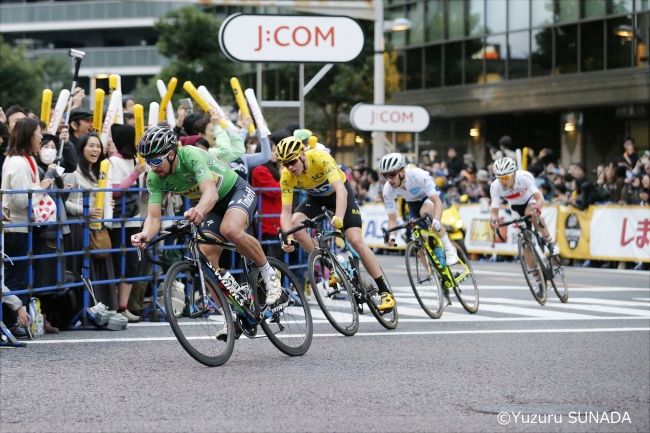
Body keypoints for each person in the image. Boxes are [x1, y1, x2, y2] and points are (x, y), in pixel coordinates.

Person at [130, 127, 283, 339]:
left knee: (230, 229)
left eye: (156, 161)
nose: (153, 167)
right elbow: (154, 217)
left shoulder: (191, 155)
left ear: (171, 154)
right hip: (210, 207)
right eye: (148, 161)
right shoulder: (154, 178)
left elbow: (210, 192)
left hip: (234, 192)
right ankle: (230, 317)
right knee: (205, 254)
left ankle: (269, 275)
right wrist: (146, 234)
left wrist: (198, 210)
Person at [276, 137, 394, 312]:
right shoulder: (287, 176)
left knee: (355, 240)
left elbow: (340, 190)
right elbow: (285, 212)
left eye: (292, 161)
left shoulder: (320, 157)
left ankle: (385, 291)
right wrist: (288, 237)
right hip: (315, 200)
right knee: (296, 223)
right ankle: (332, 265)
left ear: (302, 155)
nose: (290, 167)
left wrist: (339, 216)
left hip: (340, 195)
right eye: (285, 164)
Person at [63, 132, 118, 311]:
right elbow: (64, 202)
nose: (95, 150)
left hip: (97, 229)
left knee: (99, 267)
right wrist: (85, 210)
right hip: (78, 229)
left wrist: (108, 204)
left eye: (98, 146)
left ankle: (101, 307)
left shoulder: (98, 173)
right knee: (81, 269)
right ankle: (80, 310)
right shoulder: (73, 172)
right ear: (81, 148)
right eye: (91, 146)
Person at [380, 152, 459, 266]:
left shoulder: (417, 175)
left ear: (402, 172)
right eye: (385, 175)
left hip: (430, 197)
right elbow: (392, 219)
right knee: (418, 244)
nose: (389, 179)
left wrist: (436, 220)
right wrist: (392, 236)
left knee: (425, 212)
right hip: (413, 204)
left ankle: (449, 249)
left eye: (391, 174)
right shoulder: (387, 190)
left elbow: (437, 202)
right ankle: (438, 277)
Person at [108, 124, 147, 322]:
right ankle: (115, 306)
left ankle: (124, 306)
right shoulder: (113, 161)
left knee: (132, 263)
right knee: (117, 262)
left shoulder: (135, 161)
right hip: (117, 221)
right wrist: (135, 174)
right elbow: (114, 190)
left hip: (133, 219)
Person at [489, 157, 559, 257]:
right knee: (525, 245)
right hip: (515, 207)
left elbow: (539, 199)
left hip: (530, 200)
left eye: (505, 177)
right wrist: (494, 221)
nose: (502, 181)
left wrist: (537, 208)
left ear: (513, 174)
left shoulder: (524, 177)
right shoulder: (495, 187)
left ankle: (550, 241)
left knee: (530, 214)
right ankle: (534, 272)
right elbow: (494, 212)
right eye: (499, 178)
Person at [250, 130, 288, 260]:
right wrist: (284, 176)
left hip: (276, 221)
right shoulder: (260, 169)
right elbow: (274, 190)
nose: (275, 153)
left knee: (279, 260)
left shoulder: (273, 169)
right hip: (268, 223)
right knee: (272, 260)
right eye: (272, 150)